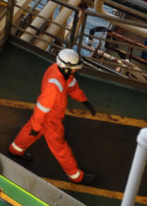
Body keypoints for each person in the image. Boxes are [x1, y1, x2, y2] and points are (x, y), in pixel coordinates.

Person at [8, 48, 97, 184]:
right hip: (51, 120)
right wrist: (37, 126)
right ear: (66, 69)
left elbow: (71, 85)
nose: (75, 71)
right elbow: (41, 109)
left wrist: (83, 100)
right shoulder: (53, 87)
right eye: (74, 69)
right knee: (60, 148)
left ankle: (15, 150)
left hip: (47, 116)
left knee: (30, 131)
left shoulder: (58, 70)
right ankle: (76, 176)